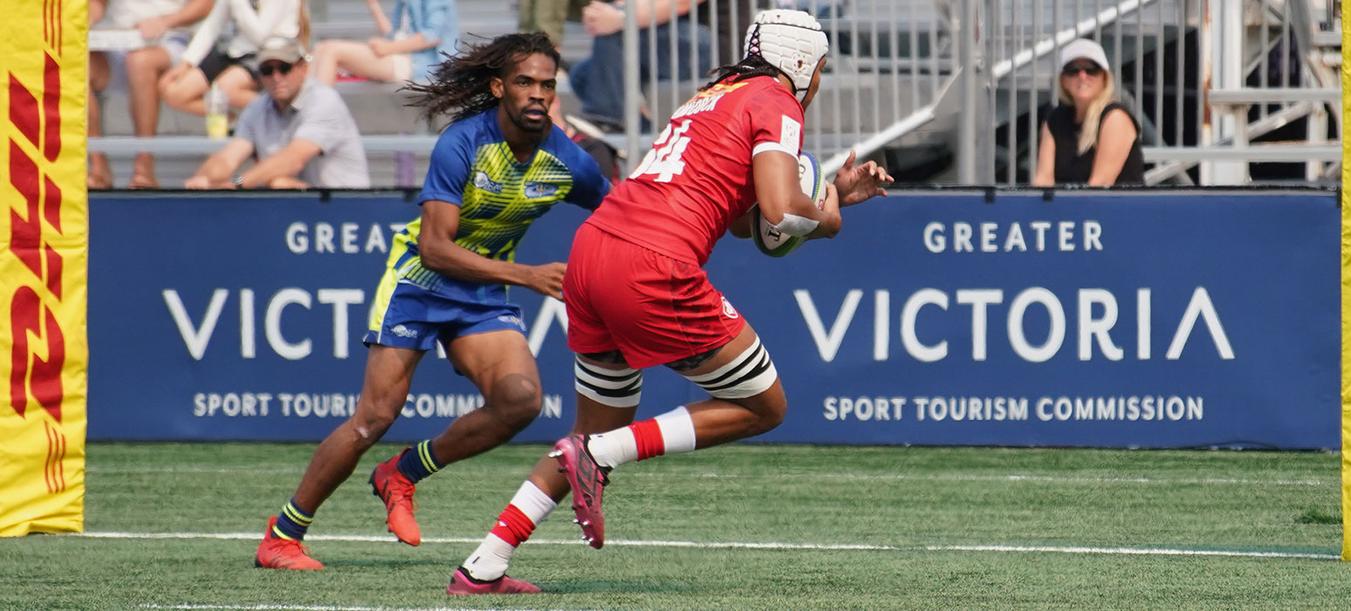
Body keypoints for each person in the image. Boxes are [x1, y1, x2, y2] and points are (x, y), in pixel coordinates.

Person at [444, 9, 893, 595]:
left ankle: (483, 565)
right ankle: (601, 454)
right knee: (764, 406)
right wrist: (828, 218)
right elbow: (783, 211)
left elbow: (746, 221)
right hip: (652, 262)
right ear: (802, 62)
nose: (820, 82)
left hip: (595, 250)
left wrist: (830, 193)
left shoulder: (712, 95)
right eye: (821, 69)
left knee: (589, 430)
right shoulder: (777, 99)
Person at [252, 32, 612, 571]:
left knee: (520, 401)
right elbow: (435, 249)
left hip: (480, 292)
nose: (537, 94)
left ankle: (401, 473)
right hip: (419, 283)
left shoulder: (567, 161)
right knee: (373, 419)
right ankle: (282, 535)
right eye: (524, 82)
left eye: (546, 85)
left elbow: (619, 211)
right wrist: (527, 275)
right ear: (499, 88)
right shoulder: (463, 142)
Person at [183, 38, 371, 189]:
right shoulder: (257, 107)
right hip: (301, 209)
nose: (276, 77)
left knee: (279, 183)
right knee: (278, 183)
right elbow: (229, 157)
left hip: (348, 210)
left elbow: (293, 159)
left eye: (284, 68)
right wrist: (204, 180)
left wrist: (237, 183)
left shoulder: (324, 100)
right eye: (267, 70)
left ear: (303, 68)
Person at [89, 0, 215, 188]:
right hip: (116, 41)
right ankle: (98, 168)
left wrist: (165, 21)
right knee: (78, 66)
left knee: (139, 61)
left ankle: (144, 170)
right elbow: (97, 5)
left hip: (173, 38)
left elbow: (205, 4)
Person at [567, 0, 713, 129]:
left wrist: (621, 18)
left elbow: (681, 3)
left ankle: (604, 119)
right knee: (582, 75)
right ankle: (640, 125)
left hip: (707, 45)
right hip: (660, 36)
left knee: (615, 31)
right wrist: (599, 15)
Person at [1032, 38, 1145, 187]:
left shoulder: (1115, 117)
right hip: (1072, 201)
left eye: (1091, 69)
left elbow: (1100, 185)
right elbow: (1042, 181)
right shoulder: (1055, 119)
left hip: (1117, 202)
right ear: (1063, 80)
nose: (1082, 76)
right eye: (1073, 70)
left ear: (1104, 77)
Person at [160, 0, 304, 117]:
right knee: (174, 92)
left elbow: (260, 36)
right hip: (234, 50)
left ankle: (285, 113)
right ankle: (230, 120)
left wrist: (237, 2)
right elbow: (212, 26)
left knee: (224, 90)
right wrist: (186, 63)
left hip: (273, 52)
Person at [309, 0, 456, 85]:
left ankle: (317, 116)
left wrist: (388, 48)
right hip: (401, 57)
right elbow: (393, 35)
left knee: (331, 51)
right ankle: (307, 112)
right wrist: (373, 5)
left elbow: (432, 36)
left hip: (422, 64)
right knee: (321, 48)